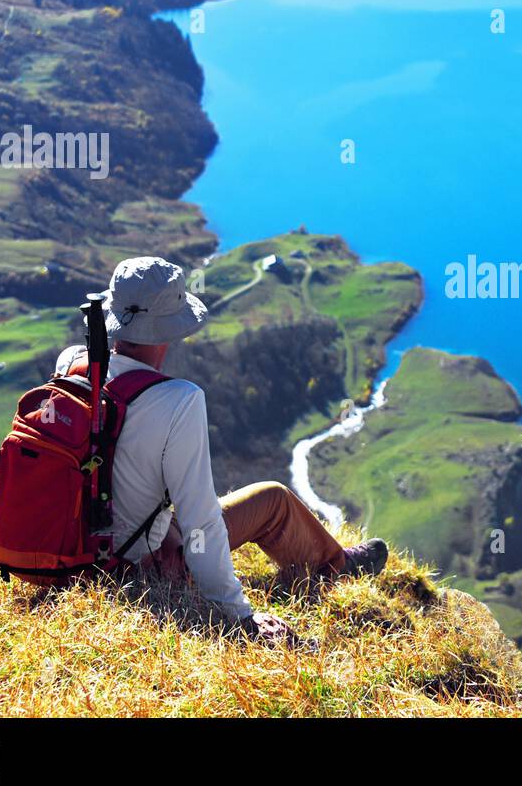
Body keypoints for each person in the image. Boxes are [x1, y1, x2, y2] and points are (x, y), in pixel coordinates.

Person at [55, 256, 387, 641]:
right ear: (169, 329)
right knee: (273, 500)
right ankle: (336, 566)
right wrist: (239, 617)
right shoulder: (178, 401)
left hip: (73, 547)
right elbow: (201, 521)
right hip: (134, 568)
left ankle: (333, 560)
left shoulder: (73, 365)